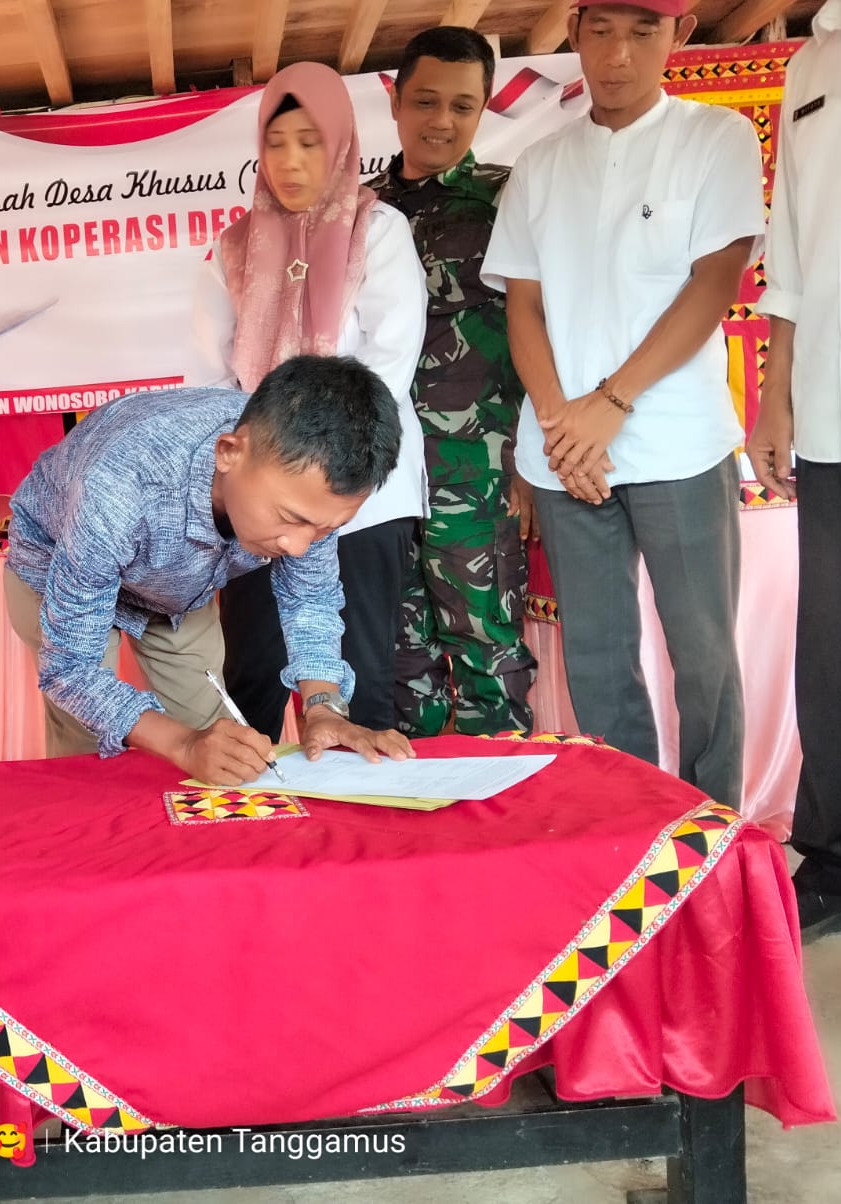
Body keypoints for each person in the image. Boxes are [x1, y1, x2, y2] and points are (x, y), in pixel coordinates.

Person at [482, 0, 765, 807]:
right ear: (574, 32)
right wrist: (561, 423)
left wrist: (610, 403)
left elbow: (714, 283)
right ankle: (634, 826)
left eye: (644, 33)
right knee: (599, 660)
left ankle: (713, 828)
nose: (618, 55)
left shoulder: (715, 139)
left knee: (704, 656)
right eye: (602, 31)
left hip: (677, 443)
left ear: (679, 35)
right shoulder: (541, 164)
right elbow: (524, 306)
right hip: (568, 456)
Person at [5, 356, 415, 784]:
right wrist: (183, 745)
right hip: (59, 562)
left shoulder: (308, 492)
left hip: (176, 592)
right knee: (90, 748)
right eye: (289, 519)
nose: (298, 547)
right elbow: (72, 669)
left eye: (325, 529)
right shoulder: (118, 489)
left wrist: (323, 707)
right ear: (229, 452)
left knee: (217, 745)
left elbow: (310, 597)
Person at [193, 61, 428, 741]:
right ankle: (256, 804)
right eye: (276, 143)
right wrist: (262, 471)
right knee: (253, 674)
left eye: (309, 142)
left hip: (358, 496)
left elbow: (389, 363)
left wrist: (315, 465)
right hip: (261, 500)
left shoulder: (376, 232)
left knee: (357, 682)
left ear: (342, 143)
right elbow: (210, 379)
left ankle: (359, 810)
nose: (291, 161)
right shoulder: (232, 251)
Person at [748, 0, 841, 938]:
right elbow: (792, 249)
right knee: (838, 651)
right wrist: (776, 395)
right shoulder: (814, 60)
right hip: (835, 411)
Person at [368, 27, 537, 737]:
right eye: (425, 101)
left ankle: (503, 799)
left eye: (462, 106)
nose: (441, 121)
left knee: (487, 651)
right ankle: (418, 802)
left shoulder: (510, 198)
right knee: (394, 658)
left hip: (477, 470)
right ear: (395, 101)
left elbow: (544, 329)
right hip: (376, 475)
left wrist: (528, 463)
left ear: (483, 109)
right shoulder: (358, 212)